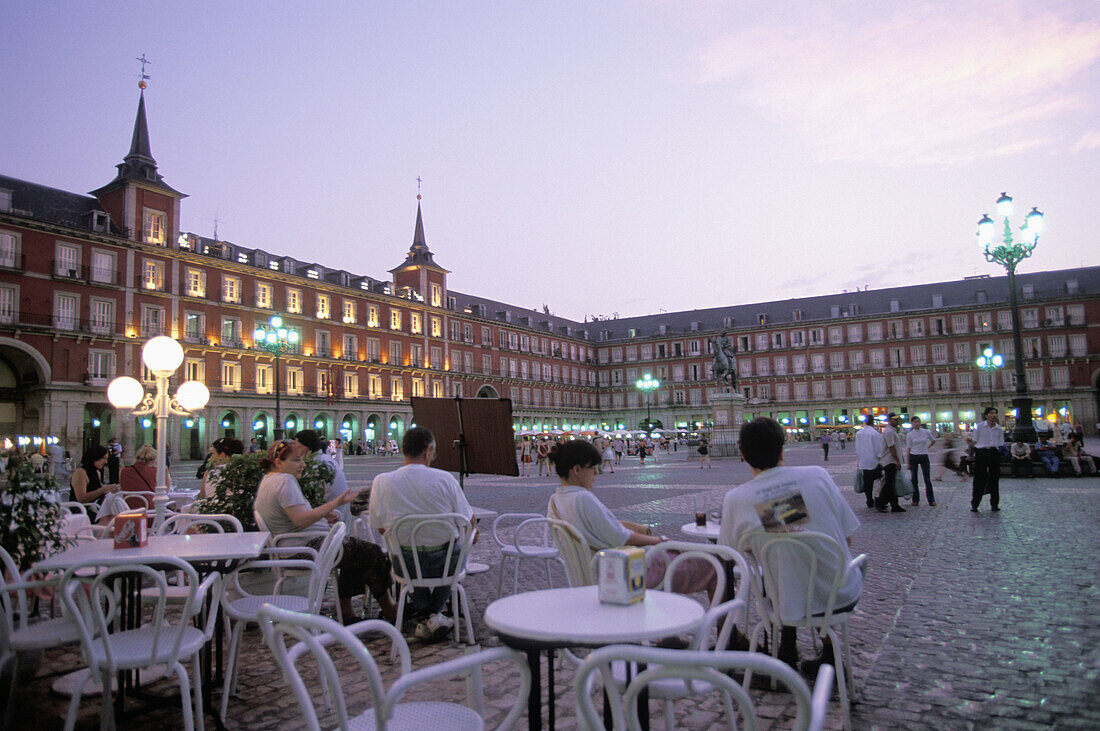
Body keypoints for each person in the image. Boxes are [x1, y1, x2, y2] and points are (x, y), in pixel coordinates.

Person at [719, 417, 862, 674]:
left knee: (782, 575)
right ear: (783, 448)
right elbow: (847, 537)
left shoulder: (736, 498)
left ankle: (783, 654)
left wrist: (761, 539)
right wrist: (776, 533)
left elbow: (729, 556)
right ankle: (829, 650)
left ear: (740, 452)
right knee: (802, 565)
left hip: (789, 605)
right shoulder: (818, 475)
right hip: (841, 594)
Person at [547, 440, 715, 595]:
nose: (596, 474)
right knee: (713, 565)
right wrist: (662, 541)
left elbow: (595, 527)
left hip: (589, 572)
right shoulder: (583, 498)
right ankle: (726, 626)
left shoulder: (555, 500)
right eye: (593, 469)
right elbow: (621, 538)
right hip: (620, 573)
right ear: (577, 470)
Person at [254, 440, 395, 624]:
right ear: (279, 462)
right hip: (303, 549)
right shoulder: (284, 481)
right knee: (371, 552)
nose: (302, 465)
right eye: (296, 460)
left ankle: (346, 609)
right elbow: (300, 519)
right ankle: (389, 610)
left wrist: (323, 516)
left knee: (355, 551)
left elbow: (295, 516)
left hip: (296, 546)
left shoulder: (270, 479)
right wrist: (336, 503)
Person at [368, 427, 475, 642]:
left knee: (411, 563)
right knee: (458, 549)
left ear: (404, 450)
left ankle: (426, 615)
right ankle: (434, 614)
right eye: (433, 452)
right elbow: (469, 523)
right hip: (444, 566)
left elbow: (380, 528)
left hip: (405, 565)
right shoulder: (445, 479)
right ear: (428, 451)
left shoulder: (381, 481)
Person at [296, 429, 350, 521]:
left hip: (331, 519)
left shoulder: (315, 465)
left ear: (304, 447)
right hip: (340, 512)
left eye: (296, 446)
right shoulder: (326, 460)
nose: (295, 450)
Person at [69, 445, 120, 519]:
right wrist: (103, 490)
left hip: (95, 508)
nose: (105, 462)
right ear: (95, 457)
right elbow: (81, 498)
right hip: (81, 510)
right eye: (103, 458)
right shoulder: (81, 473)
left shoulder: (97, 472)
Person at [972, 407, 1004, 512]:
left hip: (994, 452)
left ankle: (994, 504)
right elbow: (974, 441)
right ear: (986, 415)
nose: (993, 415)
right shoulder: (979, 427)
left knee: (994, 478)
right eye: (991, 413)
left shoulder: (998, 428)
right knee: (979, 479)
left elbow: (1000, 443)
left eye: (995, 413)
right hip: (981, 452)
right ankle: (975, 504)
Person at [876, 413, 906, 513]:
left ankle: (894, 505)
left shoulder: (892, 431)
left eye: (897, 420)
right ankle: (880, 503)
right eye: (895, 420)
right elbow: (891, 447)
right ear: (889, 420)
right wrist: (897, 460)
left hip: (891, 460)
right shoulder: (889, 432)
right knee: (888, 484)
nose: (897, 421)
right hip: (890, 461)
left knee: (892, 484)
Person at [854, 414, 884, 509]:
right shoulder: (875, 434)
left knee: (867, 482)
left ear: (865, 422)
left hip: (863, 462)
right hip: (874, 462)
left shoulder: (859, 433)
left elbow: (857, 448)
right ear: (873, 422)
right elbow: (878, 449)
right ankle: (878, 500)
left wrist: (859, 460)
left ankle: (869, 500)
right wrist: (881, 459)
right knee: (877, 482)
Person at [905, 416, 936, 506]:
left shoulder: (926, 432)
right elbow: (908, 449)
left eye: (918, 421)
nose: (917, 423)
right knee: (914, 479)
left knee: (927, 479)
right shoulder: (910, 435)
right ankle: (915, 500)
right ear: (912, 423)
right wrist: (907, 463)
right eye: (915, 422)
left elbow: (933, 441)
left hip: (924, 456)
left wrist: (927, 447)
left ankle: (931, 500)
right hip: (913, 456)